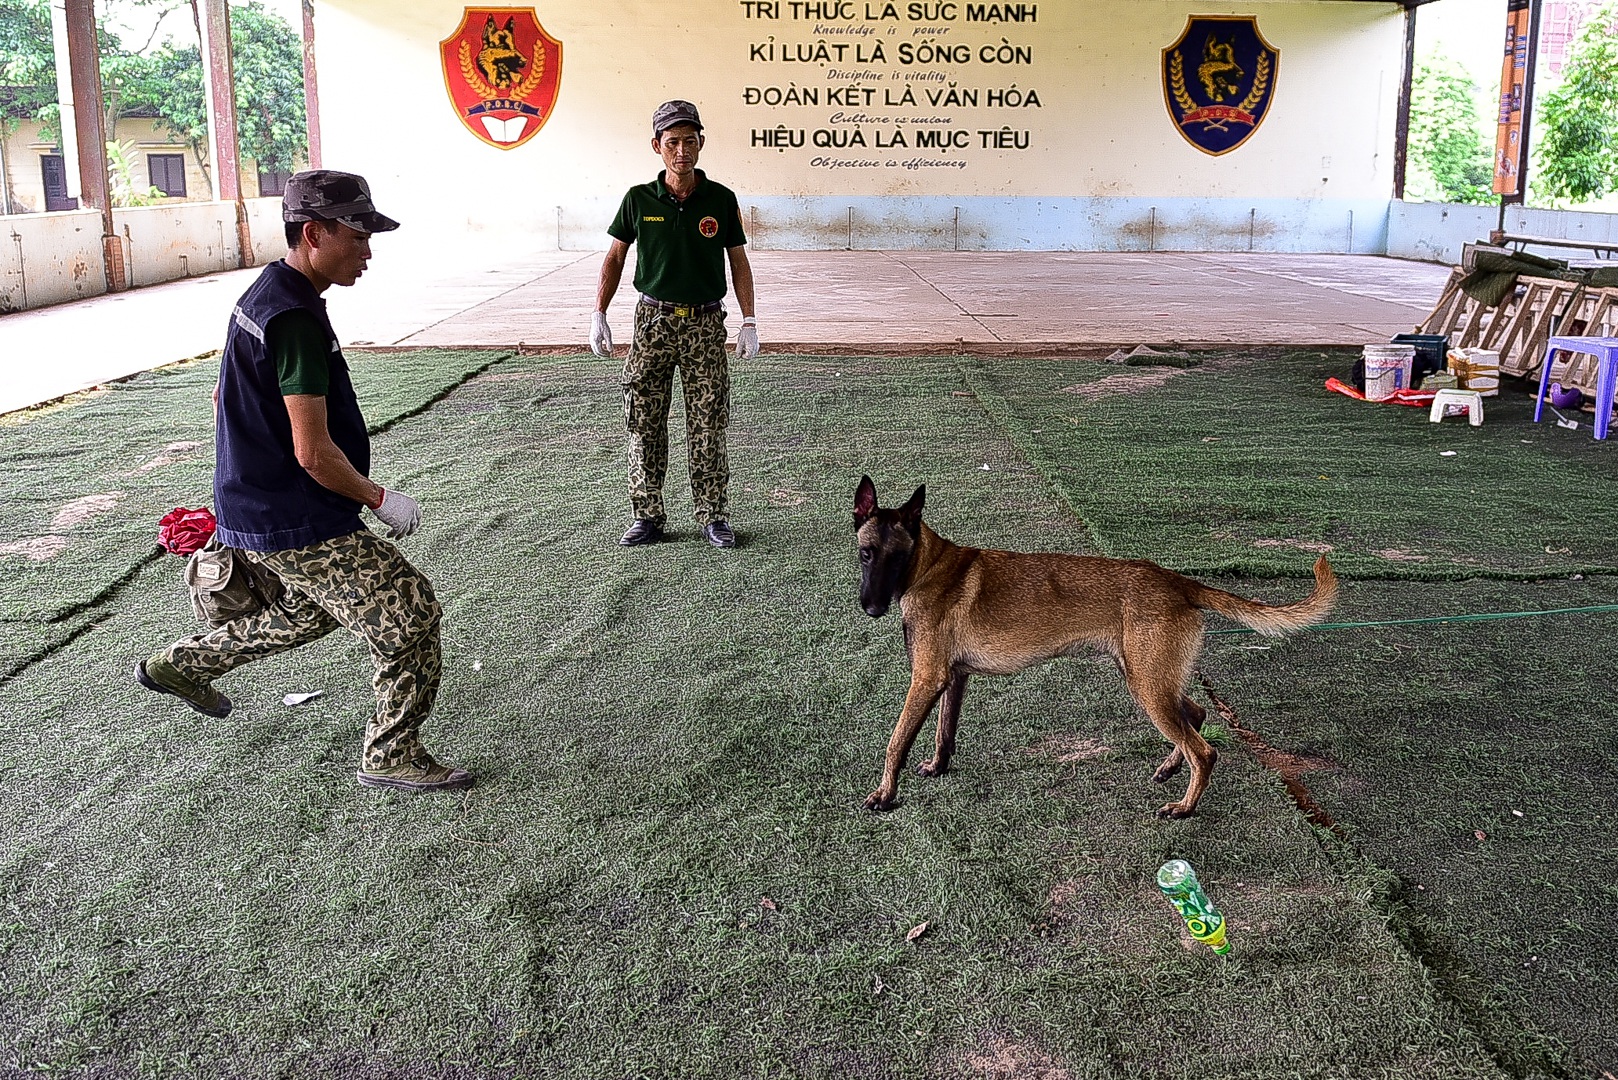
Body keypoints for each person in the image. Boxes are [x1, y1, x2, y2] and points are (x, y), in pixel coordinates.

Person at [135, 170, 472, 793]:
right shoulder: (291, 316)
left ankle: (177, 664)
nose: (368, 250)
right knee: (412, 615)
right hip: (294, 510)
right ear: (314, 233)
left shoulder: (270, 292)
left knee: (307, 614)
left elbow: (236, 401)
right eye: (358, 234)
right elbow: (313, 451)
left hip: (260, 502)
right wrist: (380, 498)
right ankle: (389, 752)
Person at [590, 99, 759, 549]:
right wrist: (599, 313)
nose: (681, 151)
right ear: (656, 146)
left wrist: (749, 320)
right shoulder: (638, 199)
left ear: (701, 143)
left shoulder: (720, 199)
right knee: (644, 418)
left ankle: (713, 515)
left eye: (689, 141)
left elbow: (738, 262)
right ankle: (647, 515)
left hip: (705, 324)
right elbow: (614, 257)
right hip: (652, 323)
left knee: (708, 422)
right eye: (672, 142)